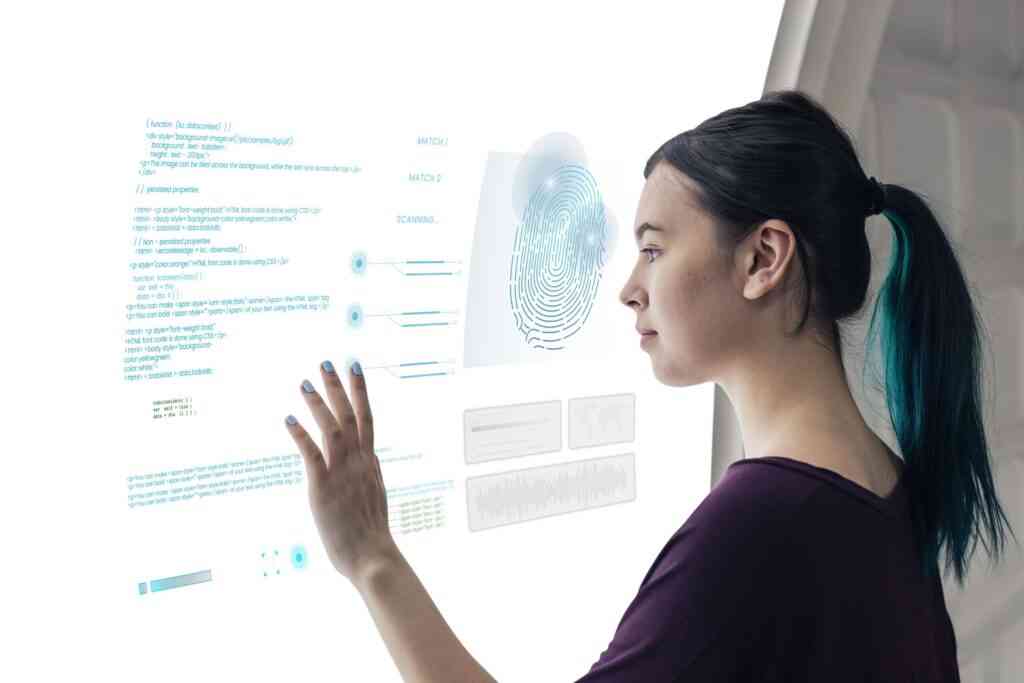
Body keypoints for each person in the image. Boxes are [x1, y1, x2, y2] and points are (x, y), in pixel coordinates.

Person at [283, 89, 1018, 682]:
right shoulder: (881, 484)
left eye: (653, 248)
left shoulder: (758, 524)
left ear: (764, 257)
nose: (629, 290)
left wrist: (372, 556)